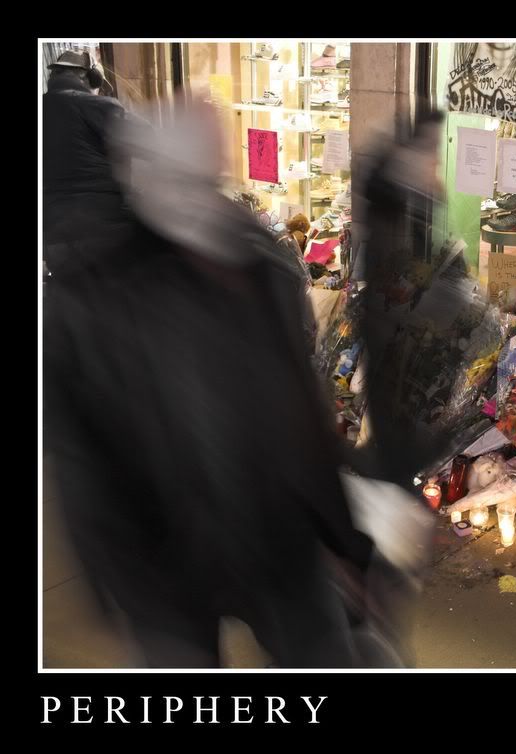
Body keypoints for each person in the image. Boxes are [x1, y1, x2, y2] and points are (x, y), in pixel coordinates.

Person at [43, 102, 400, 668]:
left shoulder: (252, 268)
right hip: (179, 562)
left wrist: (345, 542)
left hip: (254, 550)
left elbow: (297, 418)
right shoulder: (96, 297)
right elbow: (79, 458)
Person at [42, 51, 132, 272]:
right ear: (89, 79)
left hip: (54, 234)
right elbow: (151, 141)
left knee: (70, 293)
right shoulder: (95, 105)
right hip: (103, 230)